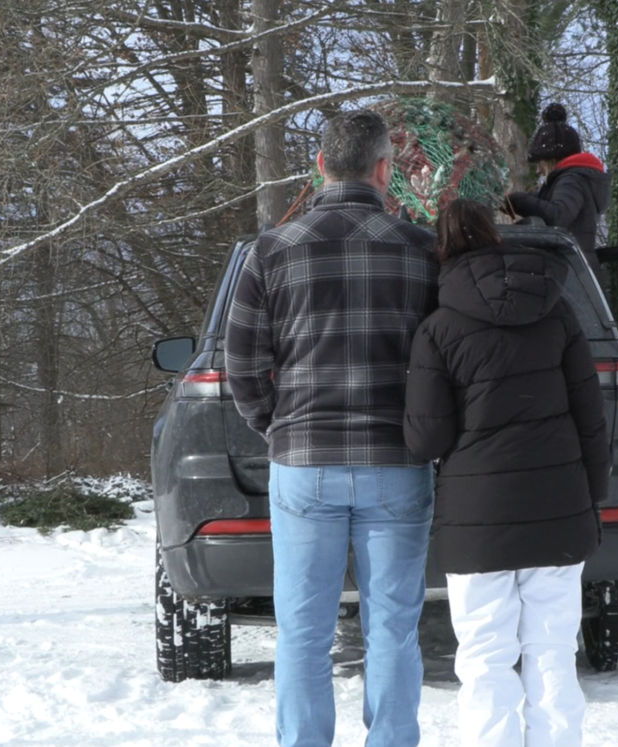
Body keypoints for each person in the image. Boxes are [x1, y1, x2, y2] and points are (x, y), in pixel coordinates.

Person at [225, 109, 439, 747]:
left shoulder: (271, 250)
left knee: (303, 630)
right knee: (394, 627)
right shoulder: (423, 251)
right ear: (384, 170)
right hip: (397, 464)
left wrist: (276, 427)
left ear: (320, 166)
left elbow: (241, 363)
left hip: (304, 461)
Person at [403, 199, 609, 747]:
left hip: (478, 519)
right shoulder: (557, 309)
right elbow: (591, 417)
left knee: (485, 661)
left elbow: (427, 439)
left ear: (440, 253)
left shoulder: (437, 330)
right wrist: (594, 497)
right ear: (496, 238)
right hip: (558, 507)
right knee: (553, 654)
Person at [504, 103, 611, 276]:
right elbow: (549, 202)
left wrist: (520, 201)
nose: (539, 170)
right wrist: (516, 201)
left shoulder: (571, 180)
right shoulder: (574, 180)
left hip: (570, 274)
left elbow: (558, 215)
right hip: (577, 271)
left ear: (552, 160)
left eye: (541, 163)